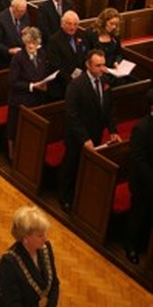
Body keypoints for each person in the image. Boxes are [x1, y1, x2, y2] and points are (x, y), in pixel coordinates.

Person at [60, 49, 121, 211]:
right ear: (88, 65)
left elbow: (108, 109)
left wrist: (113, 130)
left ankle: (81, 196)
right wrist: (84, 138)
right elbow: (72, 116)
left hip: (96, 132)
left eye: (103, 65)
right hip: (77, 136)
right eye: (97, 65)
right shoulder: (76, 85)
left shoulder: (105, 81)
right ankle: (65, 197)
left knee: (87, 168)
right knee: (71, 166)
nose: (101, 69)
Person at [7, 26, 50, 156]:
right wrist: (31, 86)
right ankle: (12, 154)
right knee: (15, 130)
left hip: (37, 99)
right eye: (29, 43)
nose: (31, 46)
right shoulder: (18, 58)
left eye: (34, 43)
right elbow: (12, 82)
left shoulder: (42, 54)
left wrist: (44, 82)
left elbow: (43, 72)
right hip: (20, 99)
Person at [125, 89, 153, 265]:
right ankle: (131, 247)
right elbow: (138, 160)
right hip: (143, 182)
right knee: (139, 215)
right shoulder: (142, 128)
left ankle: (143, 245)